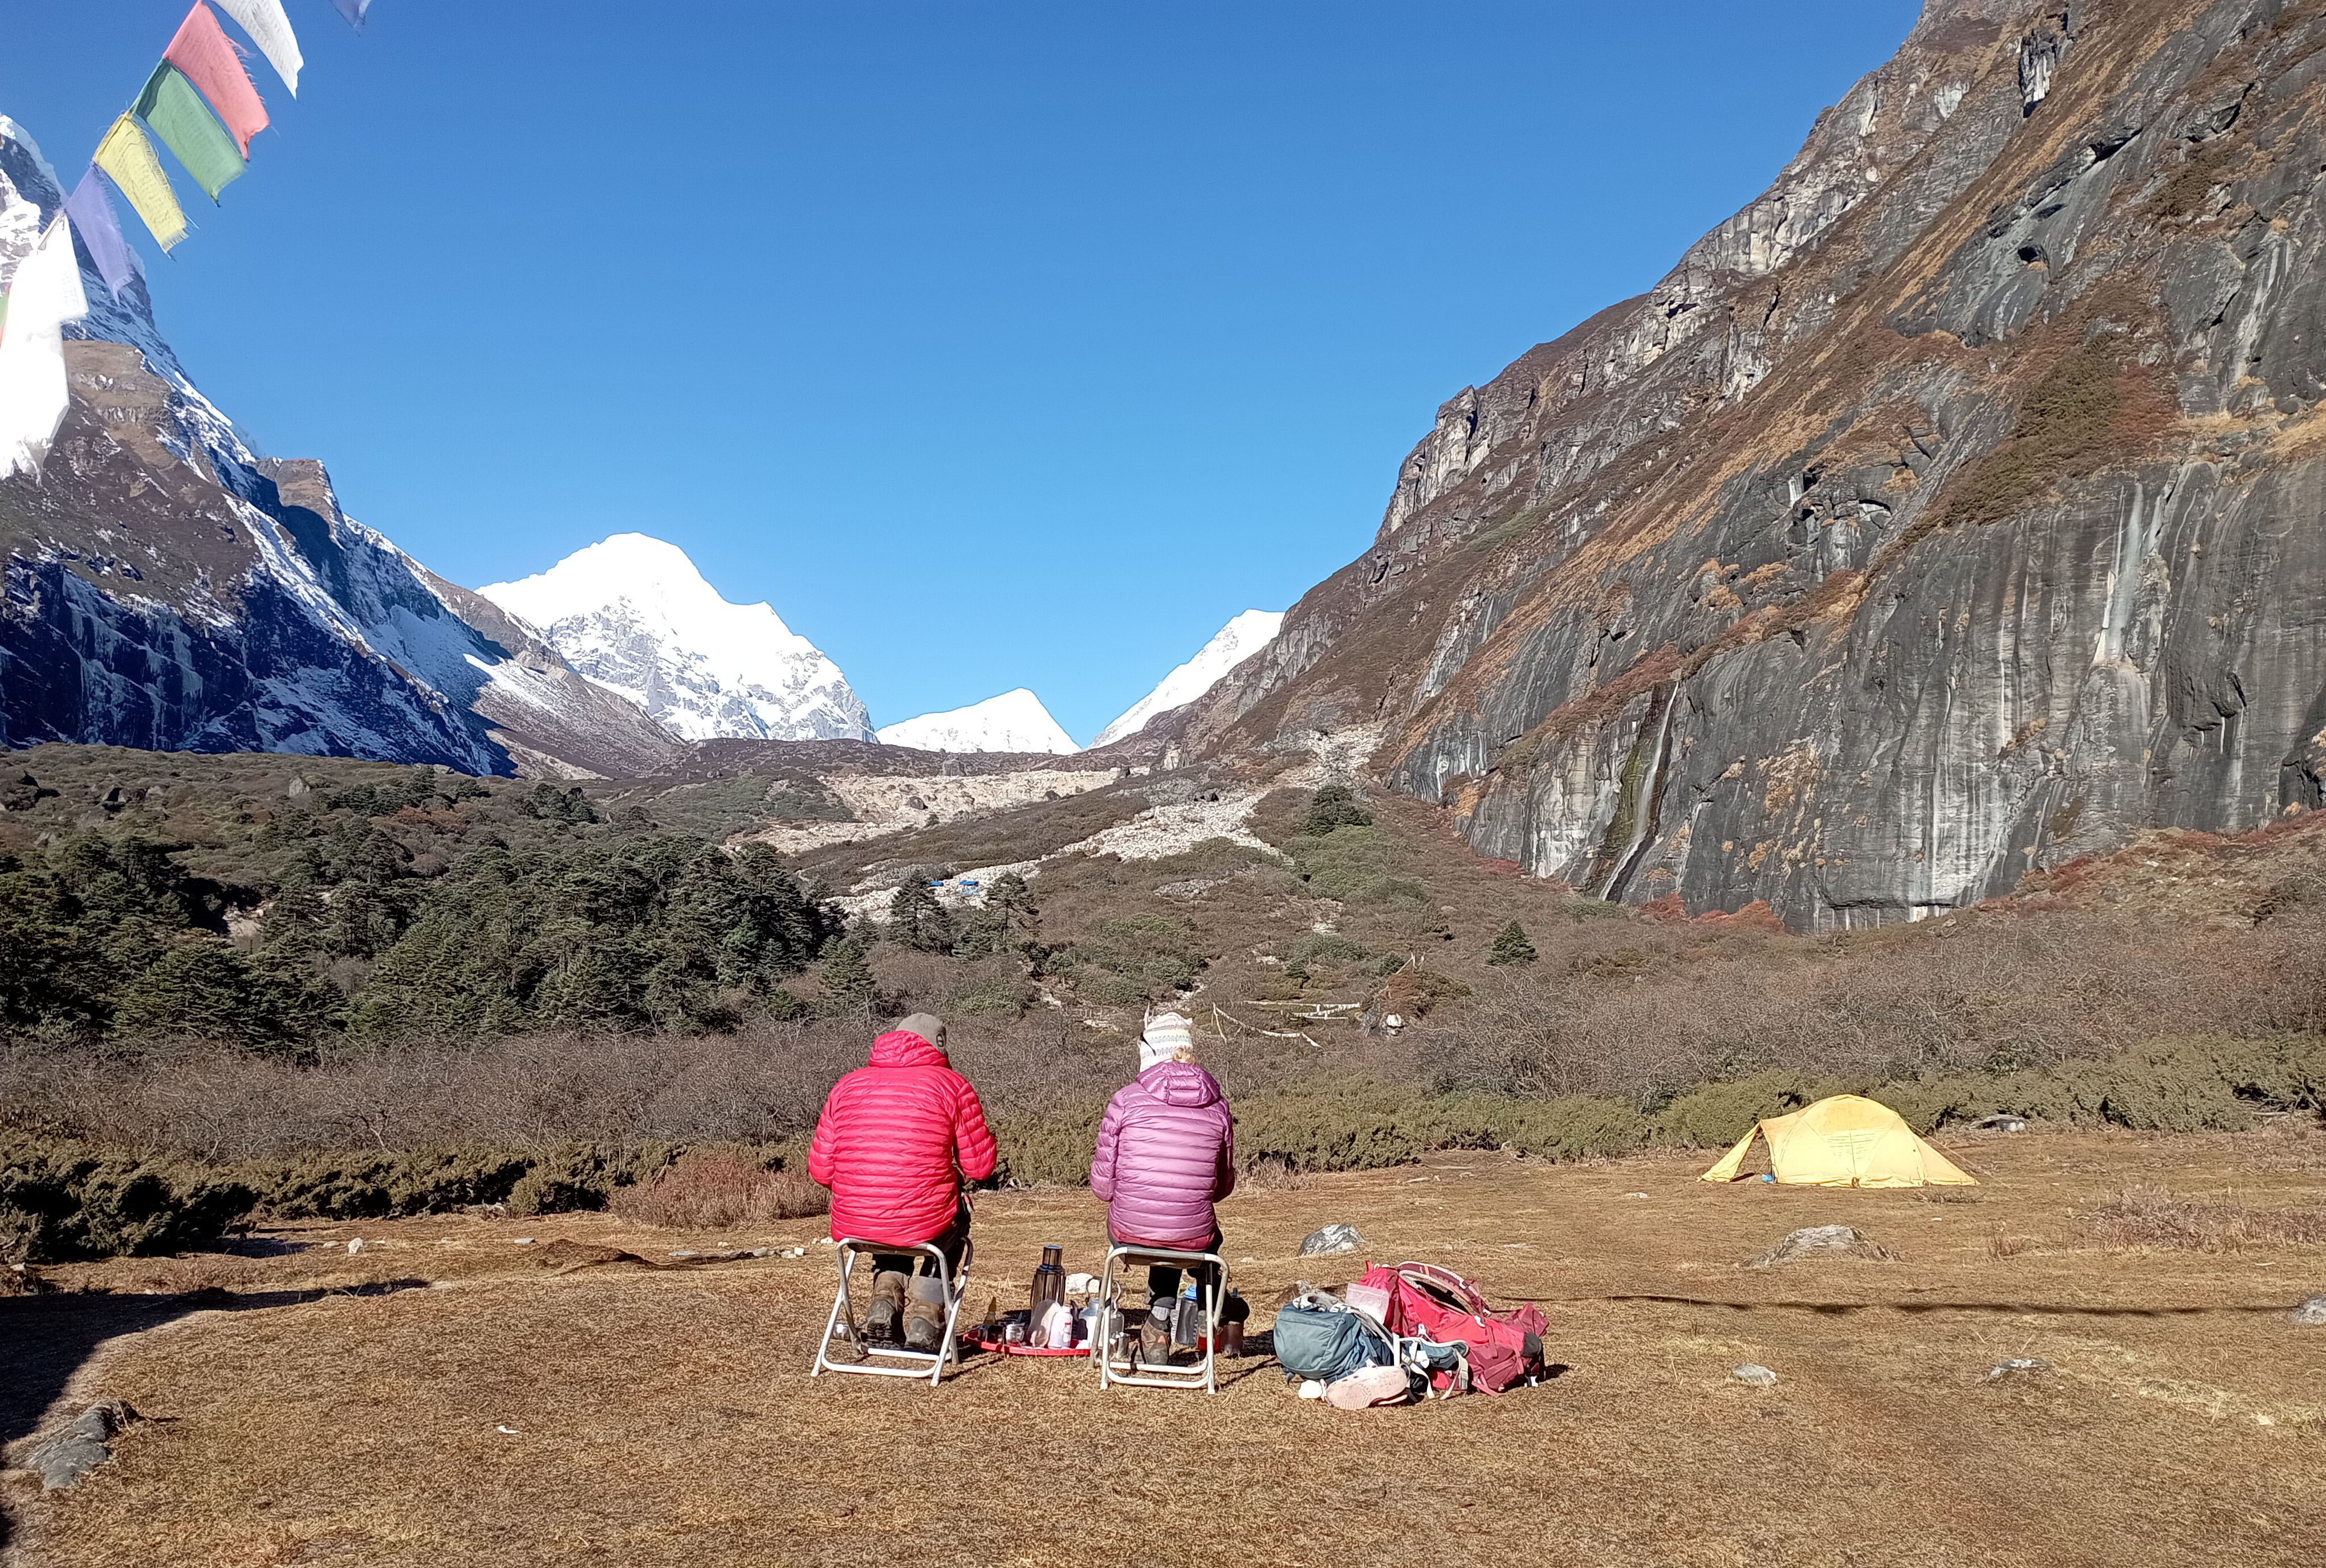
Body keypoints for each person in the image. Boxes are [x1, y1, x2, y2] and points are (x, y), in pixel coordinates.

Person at [808, 1012, 997, 1352]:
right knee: (949, 1221)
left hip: (857, 1226)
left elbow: (821, 1172)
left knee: (895, 1222)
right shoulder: (952, 1086)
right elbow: (980, 1168)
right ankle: (927, 1314)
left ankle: (885, 1298)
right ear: (939, 1047)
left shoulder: (847, 1085)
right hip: (923, 1225)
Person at [1088, 1010, 1235, 1361]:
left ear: (1149, 1054)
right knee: (1198, 1236)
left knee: (1158, 1227)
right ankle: (1211, 1308)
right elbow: (1222, 1188)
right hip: (1193, 1236)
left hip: (1129, 1233)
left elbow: (1103, 1189)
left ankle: (1157, 1326)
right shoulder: (1218, 1106)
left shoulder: (1125, 1100)